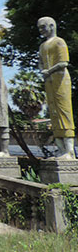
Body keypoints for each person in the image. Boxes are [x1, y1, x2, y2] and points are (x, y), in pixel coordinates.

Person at [37, 17, 75, 159]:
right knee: (53, 112)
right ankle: (60, 149)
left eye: (43, 27)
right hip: (49, 81)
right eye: (39, 28)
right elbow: (41, 62)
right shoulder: (42, 46)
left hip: (60, 79)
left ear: (52, 26)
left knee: (64, 111)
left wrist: (49, 70)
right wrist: (43, 70)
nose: (41, 30)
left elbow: (63, 62)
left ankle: (69, 150)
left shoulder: (59, 42)